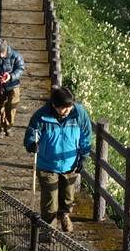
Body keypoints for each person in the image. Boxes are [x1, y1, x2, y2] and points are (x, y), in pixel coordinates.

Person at [24, 85, 93, 234]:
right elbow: (32, 132)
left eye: (69, 106)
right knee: (50, 202)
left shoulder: (79, 114)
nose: (67, 110)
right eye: (63, 108)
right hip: (47, 165)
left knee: (68, 197)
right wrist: (31, 144)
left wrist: (83, 157)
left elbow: (86, 136)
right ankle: (48, 229)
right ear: (54, 105)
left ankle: (65, 214)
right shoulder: (41, 116)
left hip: (70, 164)